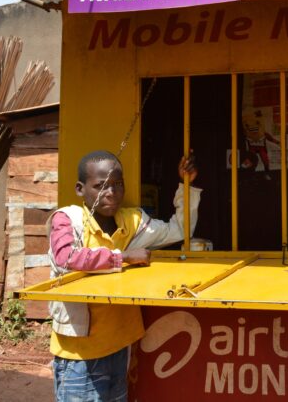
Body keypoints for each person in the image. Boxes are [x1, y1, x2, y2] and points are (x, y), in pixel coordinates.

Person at [47, 150, 201, 401]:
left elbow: (179, 230)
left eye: (118, 185)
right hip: (79, 354)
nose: (111, 193)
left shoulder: (131, 220)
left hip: (120, 346)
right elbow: (66, 258)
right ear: (80, 189)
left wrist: (186, 184)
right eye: (100, 186)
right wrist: (123, 257)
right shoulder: (68, 219)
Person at [241, 109, 280, 179]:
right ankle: (250, 173)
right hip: (252, 149)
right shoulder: (247, 133)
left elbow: (269, 137)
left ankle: (267, 173)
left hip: (261, 148)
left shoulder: (262, 132)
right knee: (251, 159)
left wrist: (277, 142)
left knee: (265, 158)